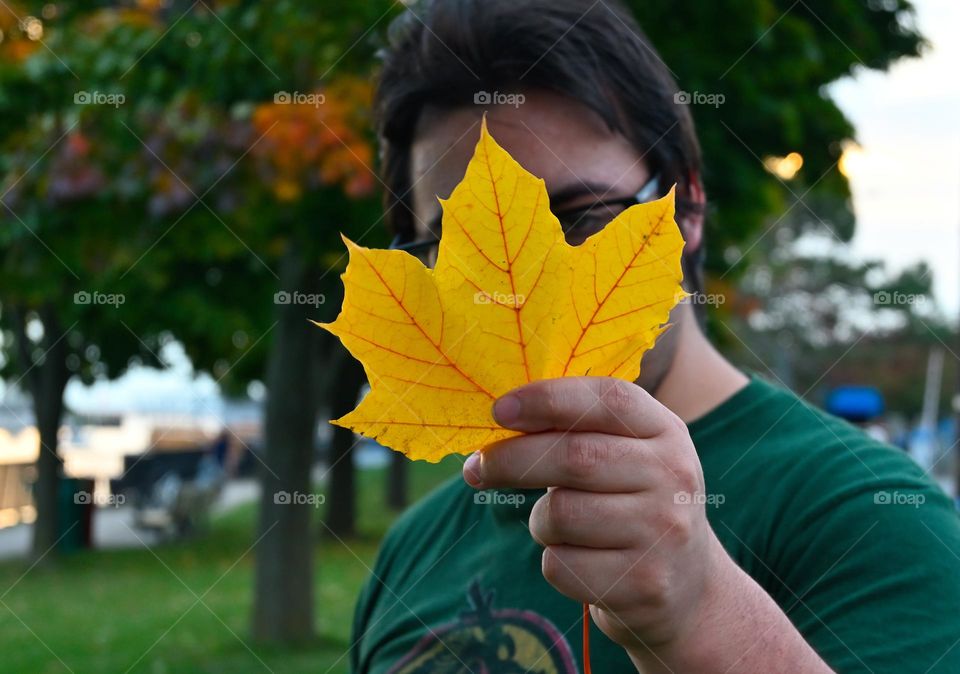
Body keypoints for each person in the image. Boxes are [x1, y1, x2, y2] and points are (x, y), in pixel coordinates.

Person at [349, 1, 960, 672]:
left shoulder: (873, 517)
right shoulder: (411, 550)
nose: (512, 286)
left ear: (686, 208)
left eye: (579, 215)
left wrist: (705, 616)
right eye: (456, 239)